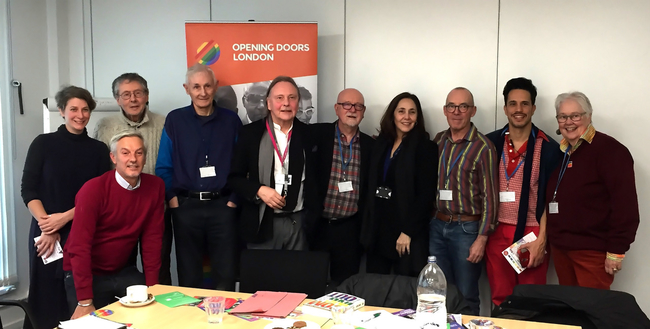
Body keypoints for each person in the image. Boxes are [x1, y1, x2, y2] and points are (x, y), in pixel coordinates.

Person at [20, 86, 111, 329]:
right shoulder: (43, 144)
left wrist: (65, 218)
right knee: (46, 296)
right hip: (45, 232)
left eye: (85, 110)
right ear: (61, 111)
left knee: (79, 296)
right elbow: (28, 190)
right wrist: (48, 226)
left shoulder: (99, 150)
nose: (80, 115)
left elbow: (102, 196)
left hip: (83, 230)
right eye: (73, 109)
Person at [156, 64, 242, 290]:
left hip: (223, 207)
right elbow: (163, 166)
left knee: (225, 272)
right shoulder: (175, 120)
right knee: (189, 274)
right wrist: (173, 199)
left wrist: (234, 199)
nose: (202, 92)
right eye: (196, 87)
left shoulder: (231, 120)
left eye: (207, 86)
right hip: (186, 207)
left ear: (215, 87)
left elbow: (244, 165)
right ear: (187, 89)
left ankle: (224, 323)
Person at [63, 131, 165, 319]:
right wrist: (85, 301)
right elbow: (79, 246)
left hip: (122, 270)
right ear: (113, 157)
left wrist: (153, 288)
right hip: (86, 273)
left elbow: (153, 240)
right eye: (125, 153)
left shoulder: (155, 187)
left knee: (150, 318)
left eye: (139, 153)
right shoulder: (93, 190)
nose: (133, 159)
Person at [545, 91, 639, 289]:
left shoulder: (610, 151)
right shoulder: (562, 152)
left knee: (593, 313)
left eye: (575, 116)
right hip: (562, 250)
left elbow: (625, 206)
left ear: (589, 116)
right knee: (570, 312)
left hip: (592, 252)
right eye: (563, 117)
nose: (568, 122)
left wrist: (616, 251)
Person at [485, 78, 561, 306]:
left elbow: (551, 200)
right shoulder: (490, 143)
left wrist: (542, 240)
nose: (519, 110)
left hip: (532, 233)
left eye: (525, 104)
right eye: (513, 104)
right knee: (500, 297)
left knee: (531, 300)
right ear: (505, 108)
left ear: (533, 108)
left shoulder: (548, 148)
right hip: (496, 231)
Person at [93, 72, 171, 284]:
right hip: (119, 212)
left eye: (138, 93)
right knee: (122, 270)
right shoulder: (105, 126)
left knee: (158, 266)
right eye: (126, 95)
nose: (133, 100)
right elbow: (99, 170)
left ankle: (159, 311)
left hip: (155, 208)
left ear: (146, 95)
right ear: (117, 99)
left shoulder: (164, 123)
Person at [430, 87, 498, 315]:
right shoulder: (439, 140)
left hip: (467, 230)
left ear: (473, 111)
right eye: (452, 106)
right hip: (437, 227)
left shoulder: (484, 147)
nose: (456, 111)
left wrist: (482, 238)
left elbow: (490, 197)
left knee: (467, 294)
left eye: (463, 106)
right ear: (444, 110)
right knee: (439, 292)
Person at [229, 76, 313, 250]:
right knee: (263, 276)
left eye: (292, 97)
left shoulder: (310, 135)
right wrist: (259, 190)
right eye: (279, 98)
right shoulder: (250, 134)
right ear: (268, 103)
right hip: (261, 223)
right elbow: (234, 178)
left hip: (299, 224)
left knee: (297, 276)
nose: (286, 103)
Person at [361, 92, 437, 277]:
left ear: (418, 117)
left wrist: (407, 232)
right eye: (401, 111)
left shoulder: (425, 148)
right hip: (378, 230)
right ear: (392, 114)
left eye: (412, 112)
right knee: (376, 289)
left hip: (406, 233)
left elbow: (425, 195)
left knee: (404, 294)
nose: (406, 117)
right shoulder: (380, 144)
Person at [309, 88, 374, 285]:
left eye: (358, 106)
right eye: (347, 104)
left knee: (345, 288)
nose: (352, 109)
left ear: (363, 112)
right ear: (337, 109)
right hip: (317, 225)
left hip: (350, 229)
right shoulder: (316, 134)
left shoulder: (371, 145)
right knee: (311, 283)